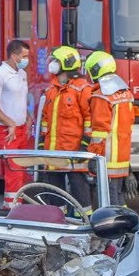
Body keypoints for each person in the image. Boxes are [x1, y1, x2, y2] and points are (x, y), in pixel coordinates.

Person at [37, 46, 93, 214]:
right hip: (53, 153)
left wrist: (84, 145)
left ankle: (84, 222)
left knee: (81, 195)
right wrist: (41, 144)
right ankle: (58, 222)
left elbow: (90, 120)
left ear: (65, 64)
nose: (52, 64)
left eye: (55, 61)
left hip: (74, 152)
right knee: (54, 195)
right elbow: (45, 121)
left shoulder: (82, 89)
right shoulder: (51, 90)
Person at [0, 39, 33, 207]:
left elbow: (19, 100)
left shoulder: (22, 74)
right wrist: (10, 123)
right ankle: (10, 208)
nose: (27, 60)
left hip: (20, 130)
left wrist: (27, 117)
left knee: (21, 170)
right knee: (13, 171)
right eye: (24, 56)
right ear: (14, 56)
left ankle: (17, 204)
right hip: (5, 131)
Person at [85, 50, 135, 208]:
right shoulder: (125, 93)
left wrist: (94, 157)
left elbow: (100, 132)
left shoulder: (101, 96)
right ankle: (127, 227)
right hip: (122, 157)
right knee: (118, 195)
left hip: (106, 157)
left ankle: (115, 229)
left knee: (108, 197)